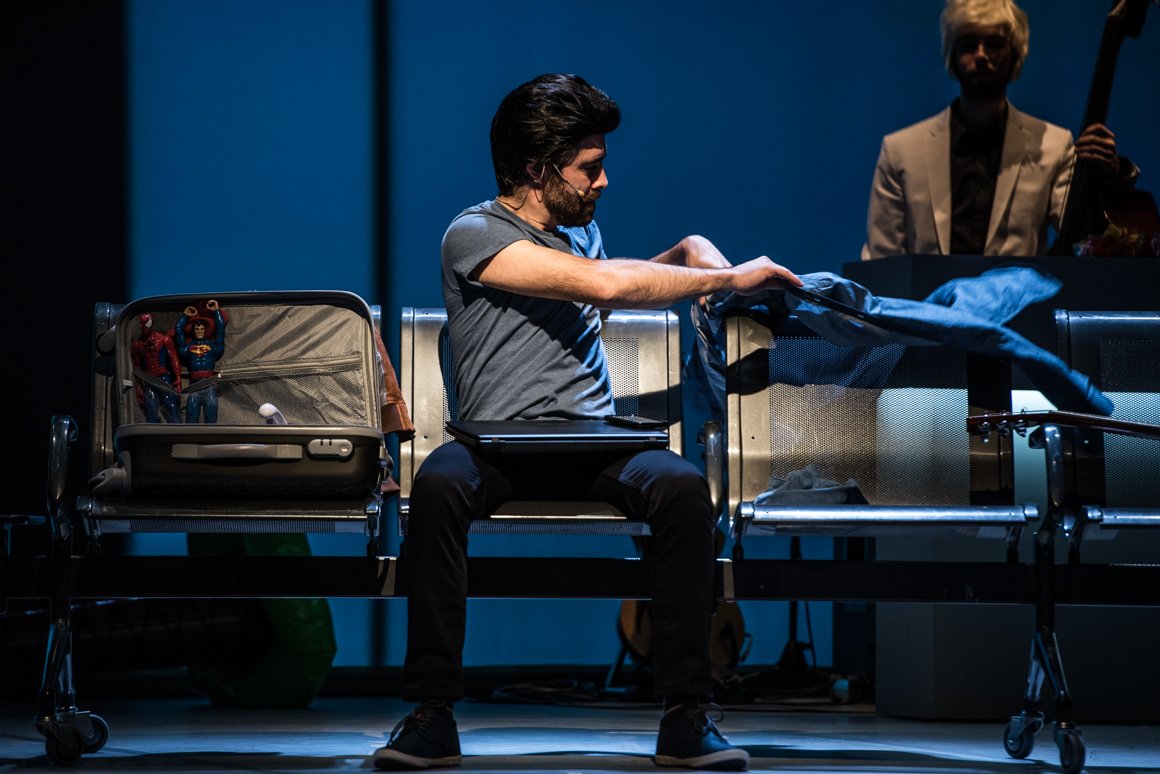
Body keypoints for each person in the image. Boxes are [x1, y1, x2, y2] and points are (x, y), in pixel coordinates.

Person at [372, 73, 801, 772]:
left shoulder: (578, 233)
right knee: (439, 487)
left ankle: (686, 716)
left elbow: (610, 289)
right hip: (498, 447)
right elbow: (605, 285)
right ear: (538, 171)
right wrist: (727, 277)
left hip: (591, 440)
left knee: (682, 488)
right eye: (589, 168)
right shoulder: (475, 234)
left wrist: (686, 250)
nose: (604, 182)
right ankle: (431, 714)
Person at [861, 0, 1135, 260]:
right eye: (969, 45)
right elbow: (882, 266)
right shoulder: (900, 152)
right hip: (924, 297)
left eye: (994, 44)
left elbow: (1083, 241)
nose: (981, 55)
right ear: (952, 55)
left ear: (1015, 54)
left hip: (1021, 298)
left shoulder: (1053, 145)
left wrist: (1107, 181)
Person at [175, 300, 227, 423]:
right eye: (197, 329)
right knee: (191, 418)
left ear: (205, 330)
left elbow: (220, 329)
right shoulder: (187, 348)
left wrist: (216, 311)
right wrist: (185, 316)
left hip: (209, 385)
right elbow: (178, 330)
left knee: (211, 418)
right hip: (194, 386)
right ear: (193, 331)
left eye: (202, 328)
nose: (199, 331)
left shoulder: (213, 346)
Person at [131, 312, 181, 423]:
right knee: (151, 408)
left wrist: (178, 379)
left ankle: (177, 429)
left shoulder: (164, 339)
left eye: (146, 324)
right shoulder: (138, 345)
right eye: (142, 324)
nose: (144, 327)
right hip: (149, 380)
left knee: (171, 404)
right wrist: (139, 386)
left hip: (164, 378)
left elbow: (174, 360)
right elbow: (138, 367)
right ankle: (153, 432)